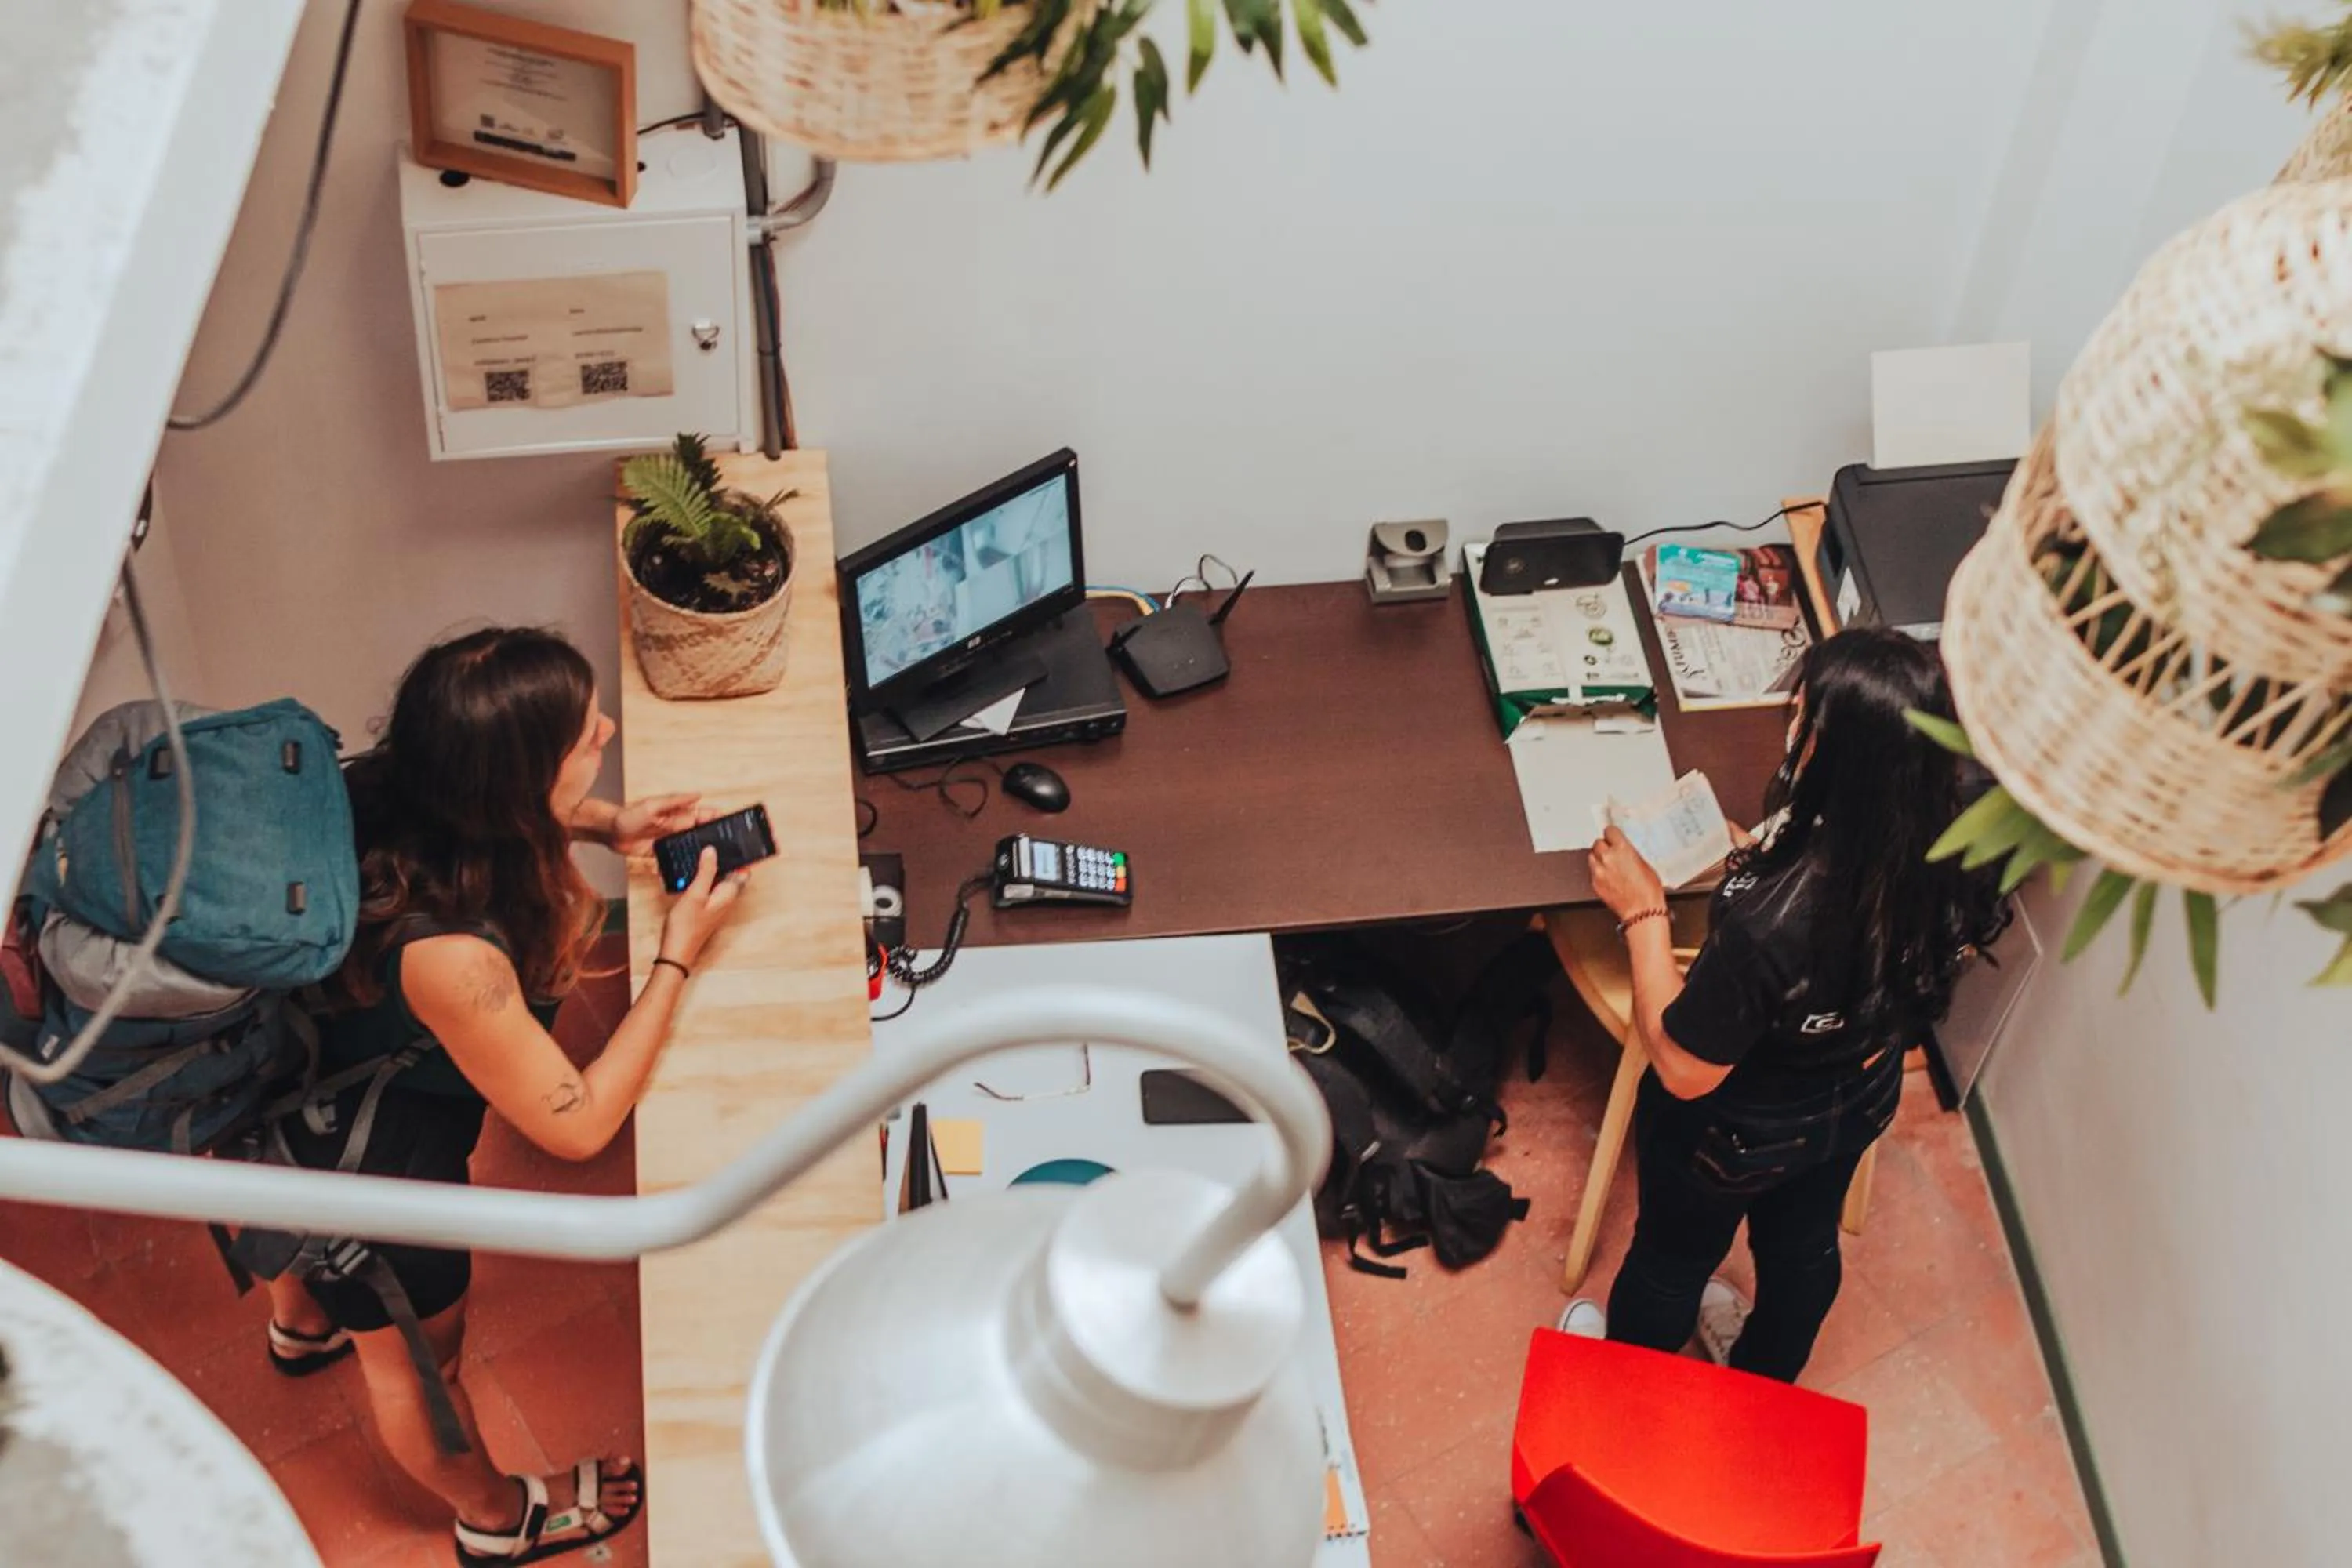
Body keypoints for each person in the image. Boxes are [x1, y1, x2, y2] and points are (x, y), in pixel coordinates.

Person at [263, 628, 747, 1563]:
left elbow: (485, 812)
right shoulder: (451, 958)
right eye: (587, 736)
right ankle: (496, 1517)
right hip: (368, 1169)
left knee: (315, 1258)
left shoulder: (380, 781)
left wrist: (608, 821)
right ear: (518, 778)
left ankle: (303, 1324)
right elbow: (581, 1123)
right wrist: (678, 950)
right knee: (420, 1366)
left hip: (287, 1086)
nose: (606, 727)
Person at [1564, 627, 2009, 1381]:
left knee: (1673, 1258)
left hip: (1737, 1131)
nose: (1791, 723)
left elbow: (1682, 1067)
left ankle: (1629, 1396)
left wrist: (1643, 913)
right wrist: (1764, 853)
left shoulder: (1775, 925)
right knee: (1804, 1245)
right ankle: (1762, 1380)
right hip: (1860, 1091)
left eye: (1803, 716)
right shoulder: (1969, 817)